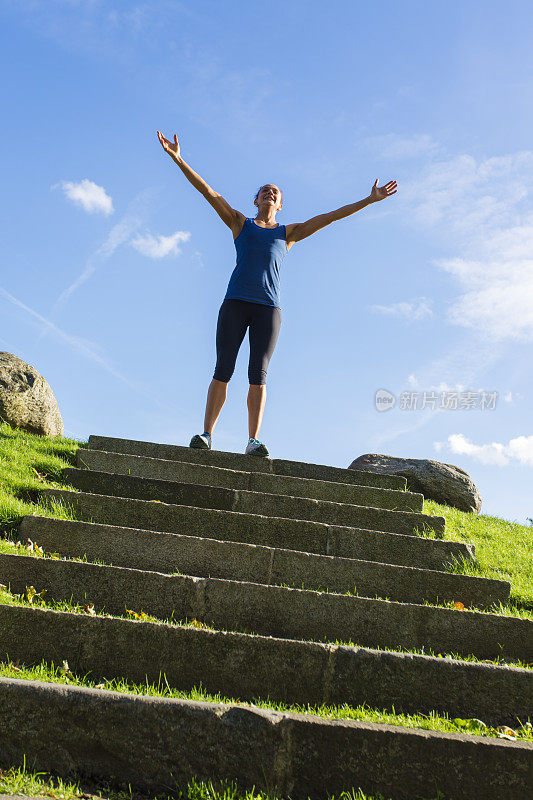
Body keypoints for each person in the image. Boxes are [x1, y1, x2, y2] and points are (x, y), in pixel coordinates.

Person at [157, 130, 397, 457]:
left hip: (268, 309)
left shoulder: (289, 234)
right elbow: (208, 192)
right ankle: (206, 435)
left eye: (275, 192)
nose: (269, 192)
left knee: (258, 374)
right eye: (264, 190)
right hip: (236, 303)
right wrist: (178, 158)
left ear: (280, 204)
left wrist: (369, 200)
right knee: (222, 368)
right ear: (256, 200)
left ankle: (253, 440)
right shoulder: (240, 224)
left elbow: (331, 216)